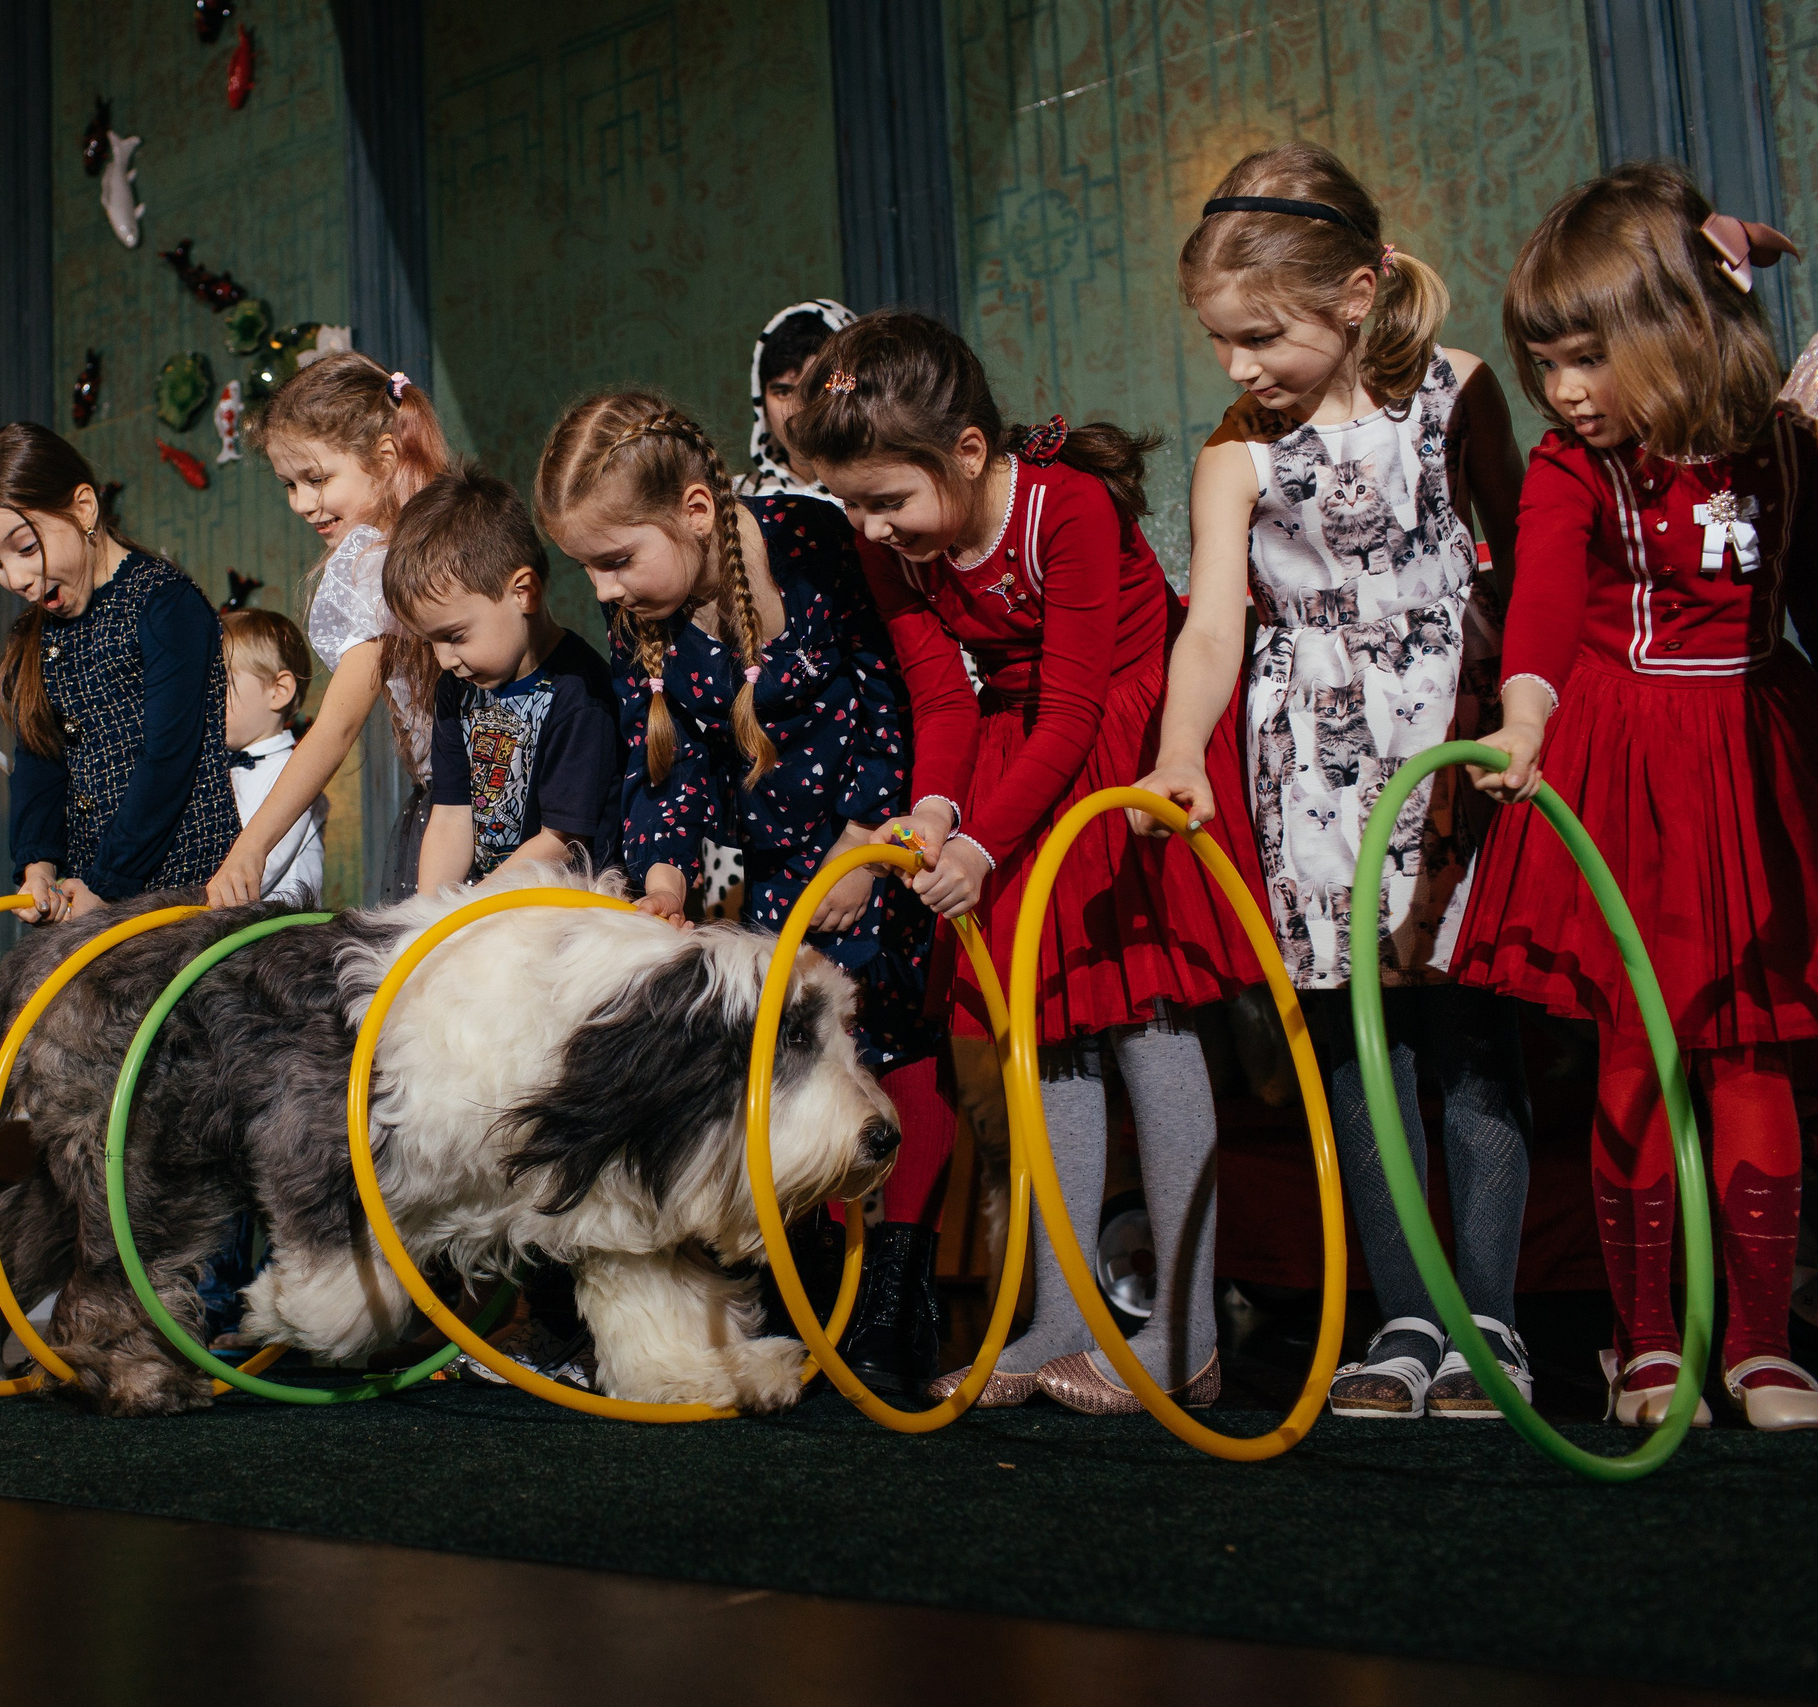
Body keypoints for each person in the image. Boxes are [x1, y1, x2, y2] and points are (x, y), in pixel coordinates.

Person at [1133, 143, 1540, 1421]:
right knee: (1359, 1047)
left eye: (1259, 336)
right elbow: (1212, 627)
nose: (1237, 367)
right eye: (1219, 343)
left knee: (1470, 1036)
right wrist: (1177, 751)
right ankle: (1402, 1317)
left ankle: (1491, 1323)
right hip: (1313, 767)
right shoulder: (1233, 457)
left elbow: (1525, 561)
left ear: (1356, 295)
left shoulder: (1460, 394)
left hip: (1453, 745)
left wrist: (1525, 718)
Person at [794, 311, 1258, 1414]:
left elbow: (1075, 704)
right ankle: (1059, 1313)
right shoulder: (889, 543)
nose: (867, 525)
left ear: (963, 452)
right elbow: (942, 693)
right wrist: (937, 810)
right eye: (849, 503)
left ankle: (1187, 1335)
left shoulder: (1069, 508)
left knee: (1145, 1028)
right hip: (1019, 750)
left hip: (1117, 751)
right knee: (1040, 1042)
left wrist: (989, 845)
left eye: (885, 500)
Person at [1454, 164, 1818, 1432]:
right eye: (1542, 361)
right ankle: (1645, 1341)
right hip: (1627, 766)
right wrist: (1524, 716)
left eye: (1585, 360)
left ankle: (1761, 1344)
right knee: (1639, 1048)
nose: (1561, 391)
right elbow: (1545, 602)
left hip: (1756, 752)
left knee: (1752, 1047)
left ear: (1672, 334)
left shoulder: (1782, 439)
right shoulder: (1571, 465)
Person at [535, 390, 954, 1402]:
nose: (600, 590)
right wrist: (665, 870)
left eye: (615, 560)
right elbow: (663, 774)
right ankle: (814, 1296)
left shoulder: (811, 541)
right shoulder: (654, 631)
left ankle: (896, 1303)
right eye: (585, 567)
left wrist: (867, 841)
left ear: (691, 511)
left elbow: (892, 688)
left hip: (871, 859)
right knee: (784, 1079)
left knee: (890, 1062)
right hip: (776, 889)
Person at [0, 423, 237, 925]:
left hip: (182, 899)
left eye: (24, 547)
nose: (15, 579)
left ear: (83, 507)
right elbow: (39, 763)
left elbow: (168, 760)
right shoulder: (36, 638)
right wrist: (37, 863)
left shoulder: (163, 603)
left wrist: (106, 884)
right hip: (90, 902)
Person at [209, 353, 454, 907]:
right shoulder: (417, 543)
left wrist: (252, 846)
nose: (301, 503)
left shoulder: (374, 564)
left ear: (386, 458)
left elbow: (337, 728)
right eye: (288, 485)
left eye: (316, 479)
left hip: (461, 805)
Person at [385, 466, 621, 890]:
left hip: (567, 914)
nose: (443, 660)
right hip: (486, 905)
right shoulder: (456, 690)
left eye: (454, 636)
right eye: (430, 643)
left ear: (523, 592)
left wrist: (469, 908)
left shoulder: (579, 696)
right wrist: (427, 913)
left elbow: (560, 840)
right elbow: (452, 813)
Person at [218, 608, 326, 906]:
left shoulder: (294, 774)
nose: (208, 699)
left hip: (283, 941)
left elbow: (255, 873)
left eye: (222, 684)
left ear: (279, 691)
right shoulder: (218, 767)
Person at [739, 298, 856, 503]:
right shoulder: (736, 502)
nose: (798, 411)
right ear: (761, 403)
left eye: (818, 390)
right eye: (783, 392)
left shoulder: (879, 497)